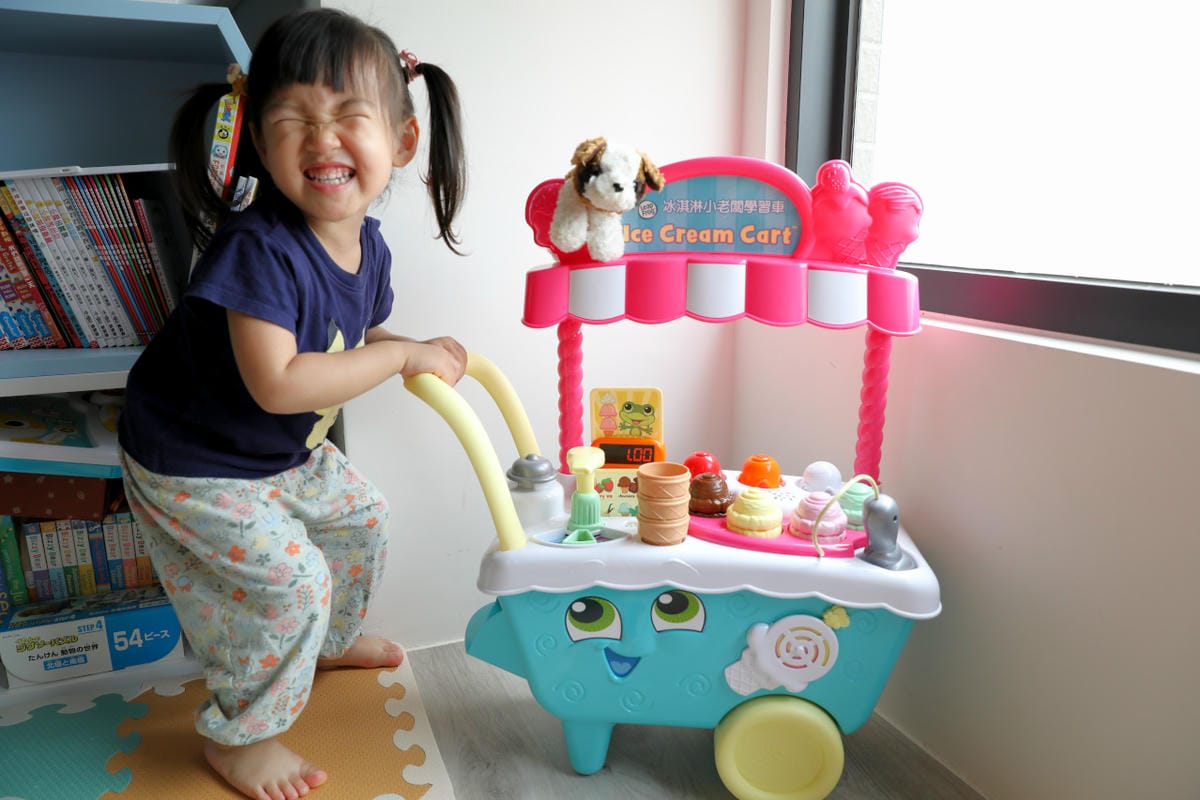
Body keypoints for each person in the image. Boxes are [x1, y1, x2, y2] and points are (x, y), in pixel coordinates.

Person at [116, 8, 468, 799]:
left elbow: (356, 332)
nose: (322, 139)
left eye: (349, 116)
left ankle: (324, 645)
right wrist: (396, 357)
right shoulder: (257, 247)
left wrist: (412, 346)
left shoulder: (369, 245)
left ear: (403, 140)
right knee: (290, 584)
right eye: (292, 120)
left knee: (361, 519)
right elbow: (277, 381)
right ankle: (240, 737)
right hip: (195, 459)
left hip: (275, 451)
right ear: (258, 141)